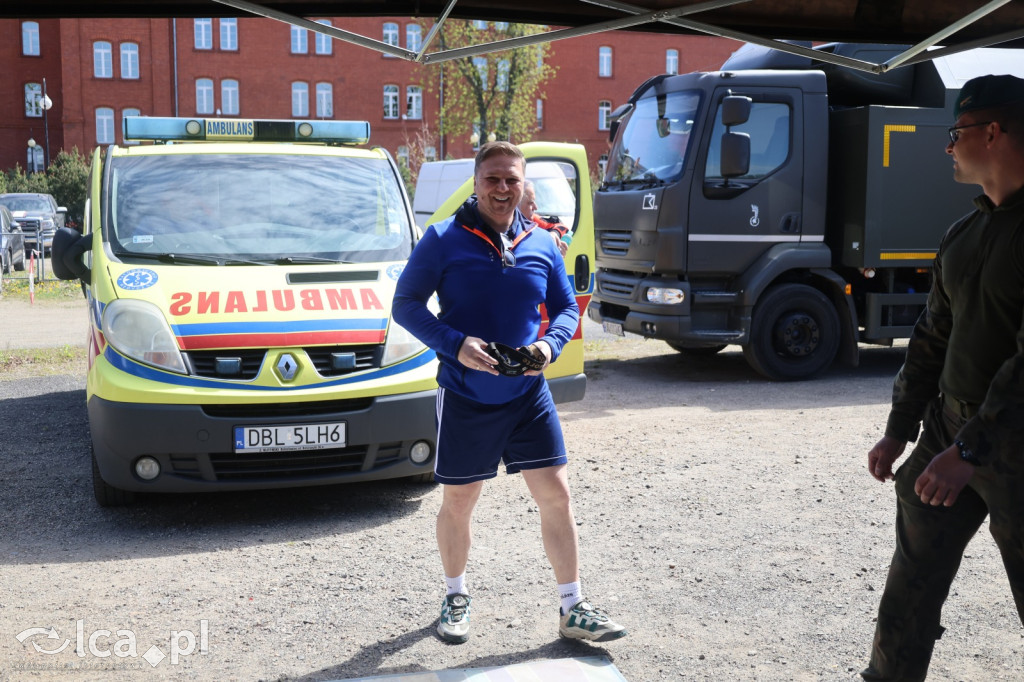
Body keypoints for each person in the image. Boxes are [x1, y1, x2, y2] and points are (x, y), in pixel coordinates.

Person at [392, 141, 627, 645]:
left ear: (522, 186)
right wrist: (456, 345)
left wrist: (548, 346)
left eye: (511, 180)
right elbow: (405, 304)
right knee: (459, 502)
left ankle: (572, 606)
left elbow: (566, 308)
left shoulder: (541, 243)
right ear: (476, 184)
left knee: (556, 495)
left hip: (527, 394)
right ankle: (455, 595)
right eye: (492, 179)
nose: (502, 189)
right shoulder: (442, 239)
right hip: (465, 395)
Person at [862, 74, 1024, 681]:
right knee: (909, 589)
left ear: (992, 131)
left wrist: (969, 449)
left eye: (955, 134)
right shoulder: (965, 233)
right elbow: (932, 338)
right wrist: (900, 429)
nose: (949, 147)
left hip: (1010, 448)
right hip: (950, 434)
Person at [520, 179, 570, 257]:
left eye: (534, 201)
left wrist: (554, 234)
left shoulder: (533, 220)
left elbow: (562, 226)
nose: (536, 207)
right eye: (530, 203)